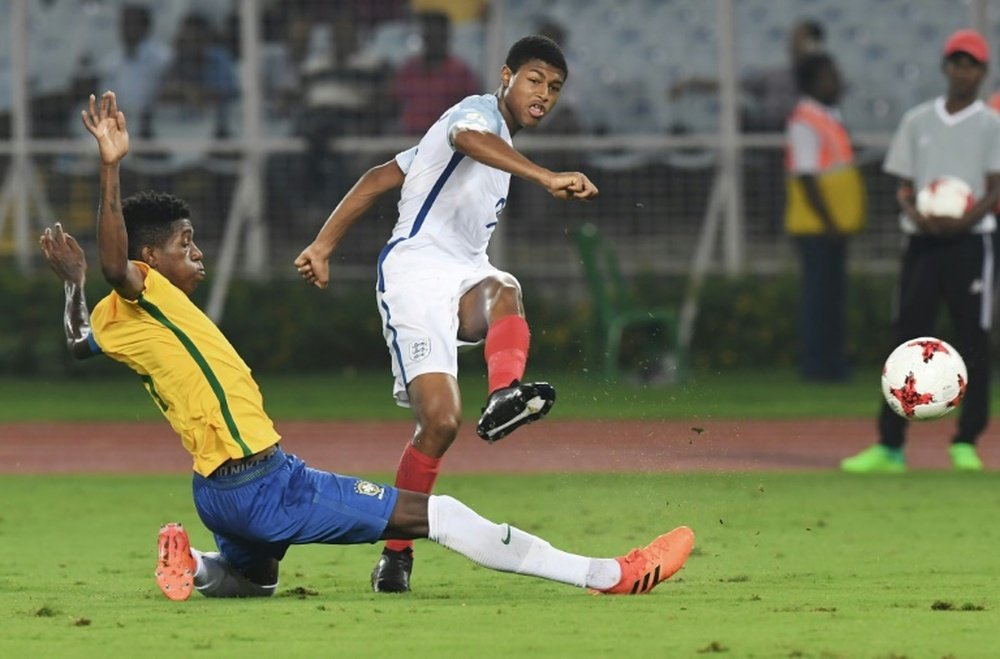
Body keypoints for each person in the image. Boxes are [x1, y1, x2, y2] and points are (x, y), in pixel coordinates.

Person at [38, 90, 693, 602]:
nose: (196, 250)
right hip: (266, 482)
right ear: (151, 256)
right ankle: (608, 573)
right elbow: (117, 260)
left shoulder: (124, 316)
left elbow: (77, 340)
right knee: (438, 515)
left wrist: (72, 285)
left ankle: (196, 562)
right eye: (185, 242)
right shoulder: (142, 286)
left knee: (253, 579)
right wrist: (110, 171)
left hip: (215, 491)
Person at [294, 35, 599, 593]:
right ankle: (397, 552)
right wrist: (546, 176)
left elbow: (379, 177)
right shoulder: (477, 113)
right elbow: (466, 137)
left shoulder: (494, 136)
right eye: (534, 80)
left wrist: (322, 245)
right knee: (438, 424)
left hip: (464, 271)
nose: (544, 94)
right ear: (506, 76)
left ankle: (505, 393)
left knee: (505, 286)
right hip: (414, 272)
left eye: (554, 87)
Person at [841, 30, 1000, 474]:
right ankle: (890, 446)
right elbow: (903, 186)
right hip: (924, 240)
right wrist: (921, 215)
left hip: (972, 241)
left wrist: (963, 221)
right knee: (905, 339)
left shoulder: (992, 124)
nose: (963, 71)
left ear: (982, 73)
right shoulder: (917, 121)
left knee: (973, 339)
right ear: (946, 67)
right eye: (956, 62)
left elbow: (994, 187)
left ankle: (966, 441)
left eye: (972, 64)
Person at [784, 53, 866, 382]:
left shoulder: (827, 116)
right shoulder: (805, 120)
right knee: (820, 300)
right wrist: (830, 221)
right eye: (830, 75)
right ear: (813, 82)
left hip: (831, 226)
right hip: (817, 227)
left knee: (831, 299)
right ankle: (818, 366)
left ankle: (832, 363)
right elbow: (806, 176)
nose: (836, 81)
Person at [669, 19, 825, 132]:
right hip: (772, 136)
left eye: (798, 38)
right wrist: (690, 83)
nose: (791, 42)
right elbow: (729, 85)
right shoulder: (775, 76)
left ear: (812, 43)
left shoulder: (825, 76)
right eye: (792, 37)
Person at [390, 11, 480, 135]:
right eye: (429, 36)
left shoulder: (460, 72)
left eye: (437, 36)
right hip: (408, 138)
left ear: (446, 37)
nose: (433, 42)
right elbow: (394, 105)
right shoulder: (408, 70)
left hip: (445, 139)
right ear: (423, 37)